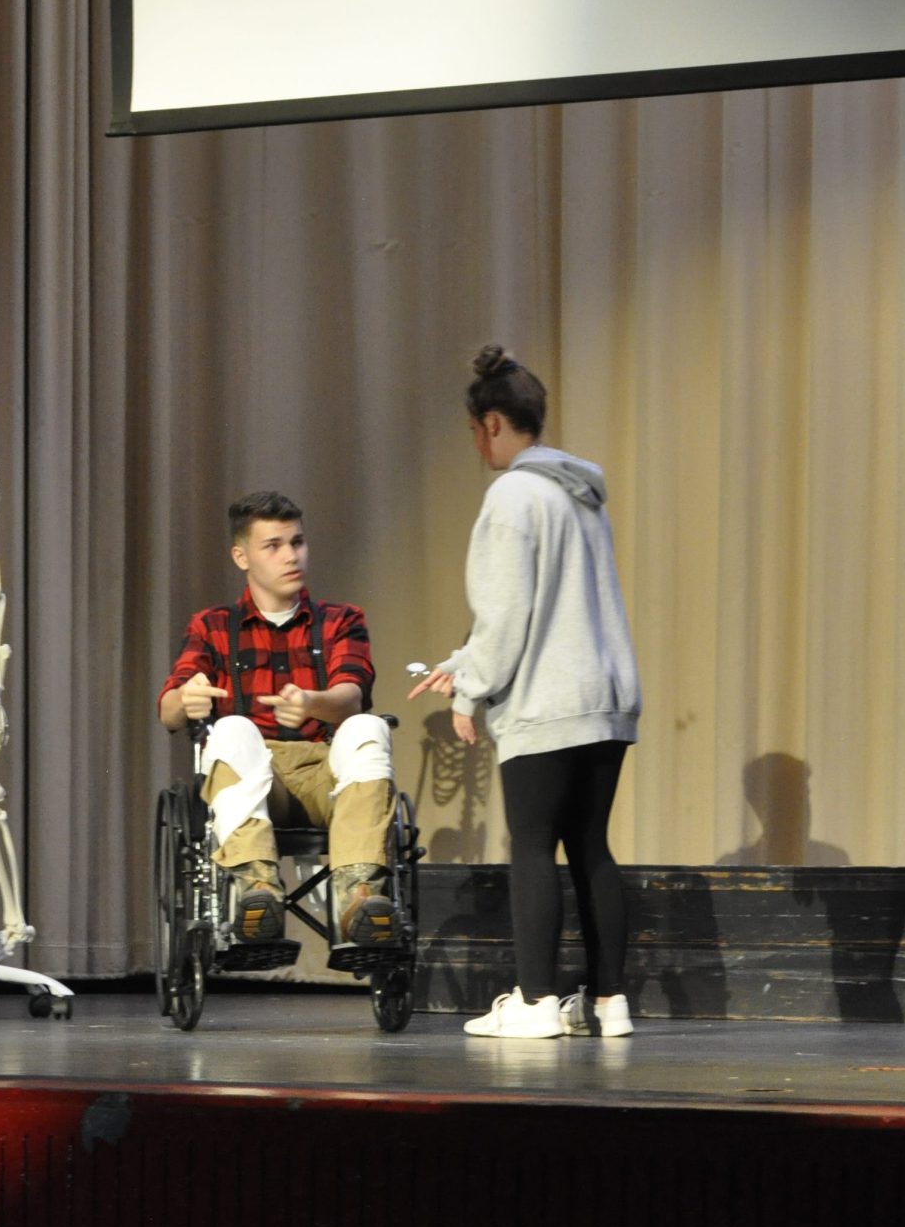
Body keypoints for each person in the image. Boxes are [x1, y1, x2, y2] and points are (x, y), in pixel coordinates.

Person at [409, 346, 641, 1038]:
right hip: (605, 693)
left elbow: (507, 613)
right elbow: (554, 608)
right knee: (591, 845)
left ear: (489, 424)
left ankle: (536, 1002)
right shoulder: (578, 491)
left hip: (550, 699)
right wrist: (466, 662)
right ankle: (609, 1002)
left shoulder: (513, 495)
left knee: (534, 845)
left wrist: (467, 691)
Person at [158, 492, 398, 948]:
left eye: (298, 542)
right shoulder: (212, 626)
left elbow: (353, 693)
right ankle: (259, 890)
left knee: (369, 727)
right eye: (274, 545)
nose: (291, 555)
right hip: (256, 780)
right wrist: (186, 698)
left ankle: (359, 897)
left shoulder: (341, 620)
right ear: (241, 556)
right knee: (230, 728)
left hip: (328, 775)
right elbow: (169, 706)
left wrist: (312, 702)